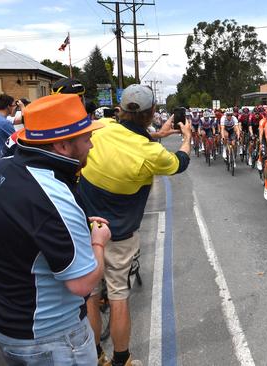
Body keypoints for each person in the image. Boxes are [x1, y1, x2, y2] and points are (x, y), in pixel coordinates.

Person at [0, 93, 111, 364]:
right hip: (52, 338)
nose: (92, 145)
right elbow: (82, 283)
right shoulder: (53, 195)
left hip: (4, 326)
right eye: (86, 139)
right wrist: (98, 240)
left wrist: (70, 224)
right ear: (62, 145)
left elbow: (21, 231)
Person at [78, 84, 191, 366]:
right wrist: (185, 137)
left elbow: (124, 137)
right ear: (151, 112)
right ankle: (122, 359)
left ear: (120, 109)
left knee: (90, 295)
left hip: (85, 227)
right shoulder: (151, 153)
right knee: (118, 296)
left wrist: (159, 133)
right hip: (119, 234)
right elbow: (180, 162)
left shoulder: (100, 127)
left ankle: (95, 357)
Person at [0, 94, 17, 161]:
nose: (14, 108)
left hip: (0, 157)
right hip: (8, 159)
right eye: (13, 106)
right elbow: (17, 141)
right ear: (8, 107)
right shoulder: (4, 123)